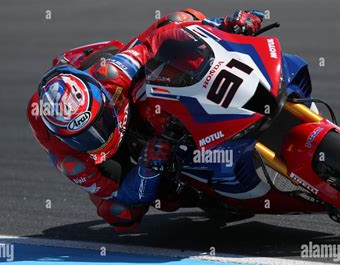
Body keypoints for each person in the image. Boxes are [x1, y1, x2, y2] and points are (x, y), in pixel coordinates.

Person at [27, 9, 264, 233]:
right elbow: (117, 196)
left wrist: (224, 23)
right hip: (108, 155)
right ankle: (190, 184)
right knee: (120, 213)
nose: (98, 138)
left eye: (99, 125)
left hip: (106, 71)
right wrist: (147, 169)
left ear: (103, 99)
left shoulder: (111, 75)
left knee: (180, 19)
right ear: (62, 138)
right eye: (83, 137)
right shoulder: (69, 159)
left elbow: (156, 38)